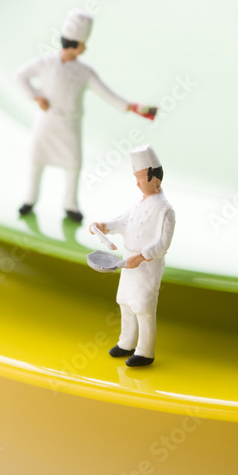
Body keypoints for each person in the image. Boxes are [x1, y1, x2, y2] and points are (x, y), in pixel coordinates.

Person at [14, 9, 152, 222]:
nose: (84, 48)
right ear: (74, 45)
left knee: (73, 164)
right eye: (82, 44)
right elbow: (20, 76)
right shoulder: (45, 62)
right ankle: (29, 199)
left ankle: (70, 204)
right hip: (46, 121)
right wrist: (36, 96)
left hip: (69, 124)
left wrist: (132, 107)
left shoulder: (85, 72)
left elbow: (107, 94)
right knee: (36, 160)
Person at [91, 144, 175, 367]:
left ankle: (145, 351)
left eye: (140, 178)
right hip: (127, 262)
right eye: (135, 178)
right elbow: (123, 222)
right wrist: (104, 226)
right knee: (125, 302)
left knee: (143, 308)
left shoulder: (166, 210)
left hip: (147, 267)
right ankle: (126, 342)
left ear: (154, 179)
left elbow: (163, 244)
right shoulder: (138, 202)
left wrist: (141, 257)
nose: (137, 183)